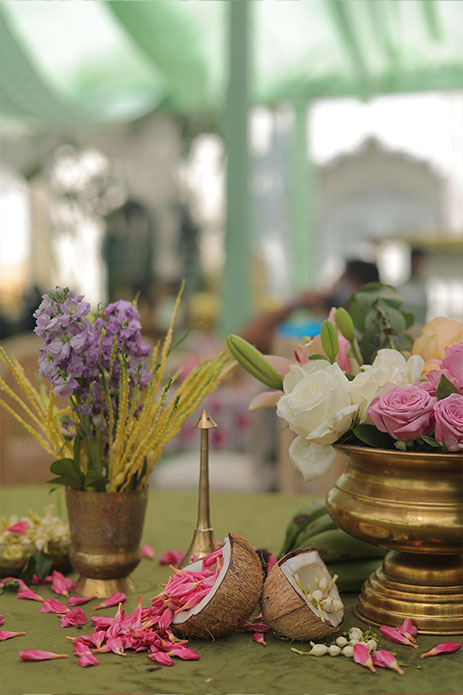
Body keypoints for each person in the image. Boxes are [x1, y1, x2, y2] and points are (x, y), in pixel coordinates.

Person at [240, 259, 379, 353]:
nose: (335, 286)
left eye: (342, 281)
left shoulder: (362, 335)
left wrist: (296, 304)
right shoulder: (319, 326)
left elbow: (249, 338)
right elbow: (249, 339)